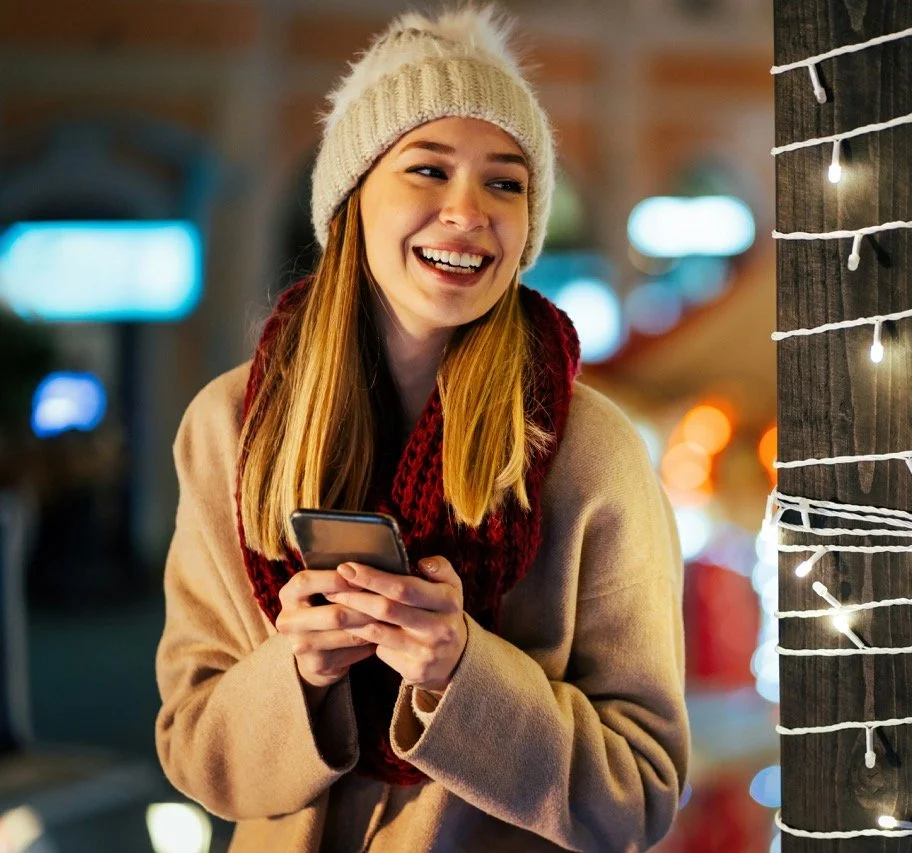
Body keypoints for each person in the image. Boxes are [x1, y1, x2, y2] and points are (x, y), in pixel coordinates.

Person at [154, 7, 690, 851]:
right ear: (353, 197)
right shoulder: (230, 428)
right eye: (428, 169)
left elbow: (639, 796)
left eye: (505, 182)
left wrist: (460, 672)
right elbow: (193, 748)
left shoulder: (591, 449)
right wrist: (297, 671)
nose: (468, 210)